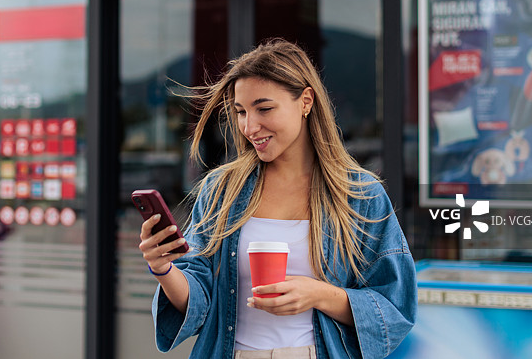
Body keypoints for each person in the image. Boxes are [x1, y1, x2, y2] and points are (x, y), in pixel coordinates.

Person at [138, 39, 417, 359]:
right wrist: (163, 268)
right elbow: (198, 296)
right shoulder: (221, 190)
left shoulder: (360, 195)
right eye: (241, 111)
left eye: (264, 108)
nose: (249, 126)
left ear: (306, 101)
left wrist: (320, 295)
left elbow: (395, 307)